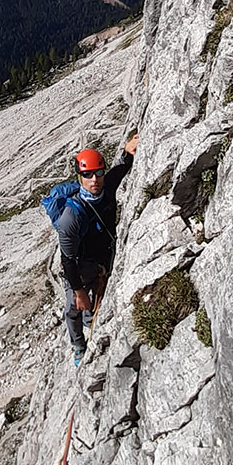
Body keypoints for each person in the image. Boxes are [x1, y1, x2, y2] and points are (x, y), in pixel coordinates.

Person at [57, 134, 138, 365]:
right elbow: (68, 260)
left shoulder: (106, 185)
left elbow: (120, 169)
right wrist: (79, 291)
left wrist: (127, 151)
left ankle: (89, 318)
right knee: (73, 306)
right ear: (79, 177)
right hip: (80, 266)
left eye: (98, 173)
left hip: (104, 256)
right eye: (87, 175)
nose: (95, 180)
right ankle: (78, 345)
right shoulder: (70, 217)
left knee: (92, 305)